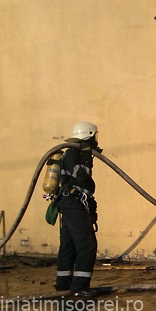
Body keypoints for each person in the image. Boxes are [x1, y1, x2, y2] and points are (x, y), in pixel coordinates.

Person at [55, 121, 102, 297]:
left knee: (68, 244)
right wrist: (86, 156)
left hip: (68, 203)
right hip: (74, 203)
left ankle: (64, 283)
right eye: (95, 135)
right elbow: (82, 176)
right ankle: (80, 287)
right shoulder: (77, 153)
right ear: (89, 135)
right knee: (87, 245)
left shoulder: (70, 152)